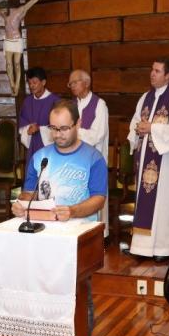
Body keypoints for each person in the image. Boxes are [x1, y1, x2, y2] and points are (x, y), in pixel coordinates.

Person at [12, 99, 107, 336]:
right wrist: (20, 204)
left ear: (78, 124)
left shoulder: (93, 157)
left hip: (79, 233)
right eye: (53, 128)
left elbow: (98, 199)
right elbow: (28, 193)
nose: (58, 134)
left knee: (78, 290)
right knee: (42, 289)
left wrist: (74, 210)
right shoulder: (40, 157)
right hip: (44, 234)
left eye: (64, 128)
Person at [127, 58, 169, 261]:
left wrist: (152, 128)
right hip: (145, 159)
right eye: (151, 70)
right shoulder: (145, 98)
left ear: (168, 75)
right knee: (145, 203)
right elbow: (135, 123)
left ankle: (164, 249)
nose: (152, 74)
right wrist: (137, 130)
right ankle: (141, 247)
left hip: (167, 163)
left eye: (157, 71)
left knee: (163, 205)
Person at [68, 69, 110, 235]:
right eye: (70, 83)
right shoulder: (71, 106)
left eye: (74, 82)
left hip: (94, 161)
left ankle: (99, 234)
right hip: (73, 161)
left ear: (86, 82)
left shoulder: (99, 105)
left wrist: (76, 132)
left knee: (94, 196)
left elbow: (98, 134)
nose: (71, 86)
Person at [18, 67, 60, 170]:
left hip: (50, 148)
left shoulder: (55, 101)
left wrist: (40, 129)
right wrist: (28, 129)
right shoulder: (27, 102)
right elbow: (22, 123)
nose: (31, 86)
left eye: (34, 82)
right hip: (32, 147)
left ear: (43, 82)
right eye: (29, 83)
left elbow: (60, 127)